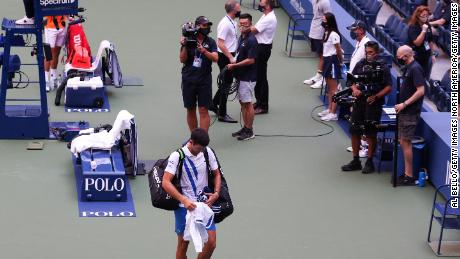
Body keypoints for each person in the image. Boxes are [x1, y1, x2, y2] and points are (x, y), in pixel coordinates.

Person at [162, 128, 222, 259]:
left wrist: (216, 193)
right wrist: (183, 200)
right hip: (184, 206)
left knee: (211, 243)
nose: (201, 151)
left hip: (204, 205)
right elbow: (166, 182)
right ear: (191, 142)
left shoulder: (207, 151)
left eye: (203, 149)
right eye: (198, 148)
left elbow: (217, 174)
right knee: (183, 244)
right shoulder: (177, 156)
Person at [341, 41, 392, 174]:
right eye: (366, 52)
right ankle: (356, 160)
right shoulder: (361, 64)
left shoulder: (383, 67)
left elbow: (388, 87)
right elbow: (351, 80)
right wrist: (354, 89)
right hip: (359, 102)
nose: (368, 55)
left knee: (370, 133)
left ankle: (369, 162)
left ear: (377, 53)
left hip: (373, 104)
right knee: (354, 130)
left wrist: (376, 96)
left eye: (371, 52)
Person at [180, 16, 218, 132]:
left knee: (203, 110)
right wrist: (185, 45)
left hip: (204, 81)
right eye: (204, 25)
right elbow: (182, 59)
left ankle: (203, 139)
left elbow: (215, 58)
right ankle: (194, 138)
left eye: (208, 25)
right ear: (197, 27)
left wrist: (204, 51)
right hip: (189, 80)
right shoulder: (188, 40)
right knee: (190, 109)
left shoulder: (211, 42)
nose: (207, 28)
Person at [394, 45, 425, 185]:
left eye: (399, 57)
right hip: (404, 111)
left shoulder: (415, 68)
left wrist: (404, 104)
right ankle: (407, 173)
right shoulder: (408, 67)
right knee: (403, 141)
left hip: (410, 112)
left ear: (406, 56)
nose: (398, 59)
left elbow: (421, 91)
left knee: (406, 142)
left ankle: (410, 176)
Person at [227, 13, 258, 141]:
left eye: (245, 24)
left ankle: (249, 130)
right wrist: (234, 61)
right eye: (241, 24)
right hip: (241, 76)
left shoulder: (251, 40)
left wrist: (235, 65)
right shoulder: (242, 37)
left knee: (247, 103)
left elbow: (251, 60)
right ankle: (245, 127)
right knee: (242, 103)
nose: (242, 26)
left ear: (250, 24)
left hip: (248, 77)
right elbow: (240, 54)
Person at [210, 0, 241, 123]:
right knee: (226, 84)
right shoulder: (225, 24)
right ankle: (222, 114)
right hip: (225, 56)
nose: (240, 11)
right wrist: (231, 58)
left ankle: (213, 104)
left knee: (226, 82)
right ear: (233, 10)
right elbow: (220, 43)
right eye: (238, 9)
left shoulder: (232, 21)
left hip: (229, 54)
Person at [344, 20, 370, 157]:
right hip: (354, 84)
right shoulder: (359, 43)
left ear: (361, 30)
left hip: (361, 87)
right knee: (355, 115)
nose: (352, 32)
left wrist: (359, 85)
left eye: (354, 29)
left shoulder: (367, 45)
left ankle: (365, 147)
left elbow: (367, 66)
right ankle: (359, 143)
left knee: (363, 116)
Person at [251, 0, 277, 115]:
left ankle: (263, 106)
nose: (259, 4)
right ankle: (259, 101)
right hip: (260, 48)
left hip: (262, 49)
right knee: (257, 77)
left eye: (261, 2)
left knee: (261, 78)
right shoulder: (265, 15)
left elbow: (254, 30)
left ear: (266, 6)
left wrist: (244, 26)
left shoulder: (269, 18)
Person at [318, 12, 343, 122]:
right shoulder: (327, 32)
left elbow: (338, 50)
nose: (322, 22)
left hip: (333, 61)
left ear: (329, 22)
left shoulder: (334, 34)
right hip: (328, 61)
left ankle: (333, 113)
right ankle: (329, 109)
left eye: (324, 20)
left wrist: (341, 62)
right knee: (329, 89)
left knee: (334, 89)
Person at [303, 0, 331, 89]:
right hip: (314, 30)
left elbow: (329, 18)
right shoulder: (314, 1)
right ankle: (318, 75)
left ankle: (324, 79)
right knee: (320, 55)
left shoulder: (325, 2)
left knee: (324, 55)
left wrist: (326, 33)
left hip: (321, 32)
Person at [407, 5, 438, 79]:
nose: (425, 17)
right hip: (416, 56)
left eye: (427, 15)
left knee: (426, 76)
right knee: (418, 77)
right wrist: (423, 31)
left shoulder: (427, 25)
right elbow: (417, 43)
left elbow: (430, 41)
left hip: (427, 55)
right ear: (418, 16)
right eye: (423, 15)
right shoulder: (413, 27)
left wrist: (433, 54)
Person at [44, 15, 67, 91]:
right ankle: (46, 79)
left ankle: (53, 77)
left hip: (62, 27)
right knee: (49, 54)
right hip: (50, 28)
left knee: (56, 53)